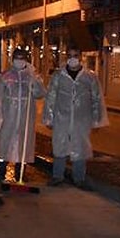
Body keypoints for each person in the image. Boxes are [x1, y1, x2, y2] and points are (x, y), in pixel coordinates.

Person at [42, 45, 108, 191]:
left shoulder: (90, 77)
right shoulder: (58, 76)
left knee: (80, 147)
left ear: (80, 57)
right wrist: (49, 118)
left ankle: (79, 178)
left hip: (81, 119)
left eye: (75, 55)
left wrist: (97, 121)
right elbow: (51, 97)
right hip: (61, 117)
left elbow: (97, 98)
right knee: (59, 146)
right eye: (70, 55)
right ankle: (57, 176)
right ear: (66, 57)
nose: (73, 58)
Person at [0, 48, 46, 185]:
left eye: (22, 57)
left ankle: (20, 173)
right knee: (4, 143)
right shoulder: (5, 76)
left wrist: (35, 82)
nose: (19, 60)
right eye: (17, 57)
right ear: (12, 58)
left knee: (24, 144)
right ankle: (1, 172)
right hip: (8, 116)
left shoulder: (32, 76)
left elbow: (40, 93)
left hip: (26, 117)